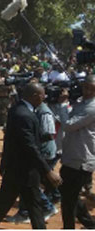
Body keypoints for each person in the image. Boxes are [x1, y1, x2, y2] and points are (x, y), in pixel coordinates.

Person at [0, 83, 62, 229]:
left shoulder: (18, 109)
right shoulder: (24, 115)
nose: (45, 97)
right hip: (22, 171)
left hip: (19, 171)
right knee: (12, 206)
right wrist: (47, 171)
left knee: (31, 208)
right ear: (35, 96)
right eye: (43, 94)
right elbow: (29, 146)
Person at [59, 75, 95, 229]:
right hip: (71, 155)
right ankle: (89, 224)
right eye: (84, 87)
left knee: (68, 202)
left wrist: (62, 105)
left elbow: (68, 125)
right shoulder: (81, 102)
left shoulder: (92, 107)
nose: (86, 90)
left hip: (81, 159)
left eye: (90, 88)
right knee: (70, 196)